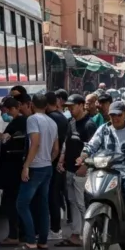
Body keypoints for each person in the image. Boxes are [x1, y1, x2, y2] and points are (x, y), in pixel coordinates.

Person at [78, 101, 125, 226]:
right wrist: (83, 156)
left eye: (119, 115)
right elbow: (91, 145)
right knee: (88, 190)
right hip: (105, 171)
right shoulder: (104, 129)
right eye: (113, 115)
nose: (116, 118)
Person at [15, 93, 59, 250]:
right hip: (47, 166)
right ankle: (43, 241)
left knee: (21, 204)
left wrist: (26, 165)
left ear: (32, 105)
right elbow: (56, 149)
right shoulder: (52, 122)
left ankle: (30, 240)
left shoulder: (32, 120)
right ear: (46, 106)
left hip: (35, 167)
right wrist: (48, 160)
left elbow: (35, 143)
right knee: (43, 205)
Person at [0, 96, 28, 247]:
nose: (5, 112)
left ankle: (14, 235)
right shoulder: (18, 122)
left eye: (7, 109)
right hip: (14, 169)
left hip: (13, 170)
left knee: (11, 203)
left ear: (15, 108)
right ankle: (20, 234)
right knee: (14, 202)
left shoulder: (19, 123)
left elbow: (4, 138)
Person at [58, 94, 98, 247]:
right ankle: (76, 234)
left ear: (81, 105)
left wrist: (85, 166)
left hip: (81, 171)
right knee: (73, 203)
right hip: (69, 169)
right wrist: (62, 159)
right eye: (68, 107)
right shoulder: (71, 123)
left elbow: (94, 148)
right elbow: (66, 144)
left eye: (72, 107)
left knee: (82, 204)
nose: (70, 110)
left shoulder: (89, 125)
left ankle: (89, 234)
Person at [45, 93, 70, 240]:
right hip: (61, 160)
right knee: (58, 194)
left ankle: (55, 229)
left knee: (52, 195)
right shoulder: (62, 118)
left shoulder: (50, 119)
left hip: (53, 161)